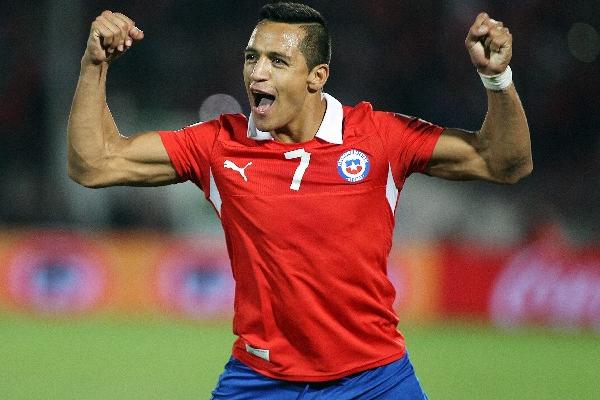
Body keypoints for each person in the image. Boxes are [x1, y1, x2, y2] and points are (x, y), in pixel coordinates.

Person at [68, 2, 532, 399]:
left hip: (375, 380)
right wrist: (94, 67)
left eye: (276, 60)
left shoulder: (379, 138)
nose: (257, 72)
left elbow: (504, 162)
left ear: (317, 77)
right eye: (252, 57)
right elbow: (94, 164)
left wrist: (497, 80)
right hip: (259, 380)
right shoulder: (218, 145)